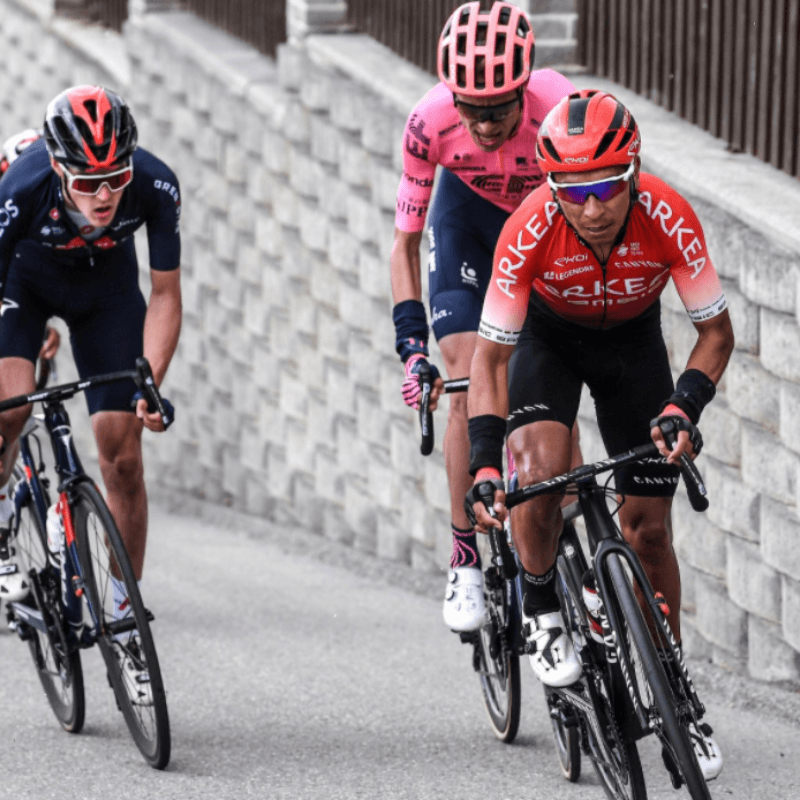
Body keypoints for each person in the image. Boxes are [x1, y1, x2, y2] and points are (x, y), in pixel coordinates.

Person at [465, 89, 732, 780]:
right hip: (546, 344)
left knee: (648, 532)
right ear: (551, 186)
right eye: (571, 190)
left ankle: (675, 693)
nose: (591, 206)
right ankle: (543, 603)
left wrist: (684, 407)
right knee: (544, 470)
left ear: (634, 172)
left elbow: (716, 334)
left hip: (632, 348)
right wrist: (486, 467)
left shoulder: (668, 214)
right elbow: (489, 361)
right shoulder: (527, 230)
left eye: (607, 184)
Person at [391, 0, 579, 634]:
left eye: (500, 108)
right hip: (467, 225)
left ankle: (569, 539)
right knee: (467, 375)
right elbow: (405, 244)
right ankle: (466, 555)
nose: (486, 123)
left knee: (549, 368)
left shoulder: (559, 106)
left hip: (542, 231)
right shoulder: (428, 122)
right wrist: (409, 343)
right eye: (471, 108)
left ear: (524, 88)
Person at [0, 86, 181, 693]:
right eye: (86, 182)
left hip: (106, 295)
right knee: (11, 407)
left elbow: (164, 295)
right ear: (57, 167)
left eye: (114, 178)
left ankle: (125, 619)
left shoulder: (155, 185)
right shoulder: (19, 191)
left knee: (122, 456)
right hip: (23, 288)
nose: (104, 195)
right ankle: (6, 509)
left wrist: (148, 382)